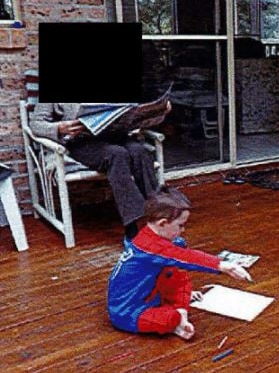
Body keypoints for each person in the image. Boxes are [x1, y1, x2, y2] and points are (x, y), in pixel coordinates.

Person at [107, 186, 252, 340]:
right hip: (128, 311)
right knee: (169, 319)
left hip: (151, 295)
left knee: (178, 274)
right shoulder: (149, 247)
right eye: (180, 225)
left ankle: (180, 311)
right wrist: (222, 265)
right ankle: (176, 318)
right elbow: (186, 257)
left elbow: (177, 254)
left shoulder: (152, 238)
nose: (183, 230)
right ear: (162, 223)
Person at [30, 101, 172, 239]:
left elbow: (135, 117)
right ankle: (133, 227)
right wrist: (59, 128)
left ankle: (160, 215)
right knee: (116, 154)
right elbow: (36, 124)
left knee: (139, 151)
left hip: (117, 136)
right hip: (83, 142)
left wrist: (158, 112)